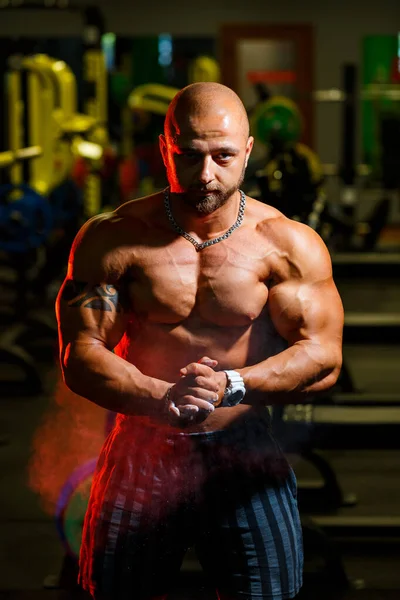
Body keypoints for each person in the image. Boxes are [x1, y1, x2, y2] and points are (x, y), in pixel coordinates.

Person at [56, 82, 344, 600]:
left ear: (248, 150)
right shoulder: (113, 238)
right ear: (165, 148)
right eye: (188, 156)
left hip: (243, 449)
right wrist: (158, 397)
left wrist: (234, 384)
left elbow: (322, 357)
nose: (206, 174)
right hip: (143, 446)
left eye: (223, 155)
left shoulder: (286, 243)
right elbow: (80, 353)